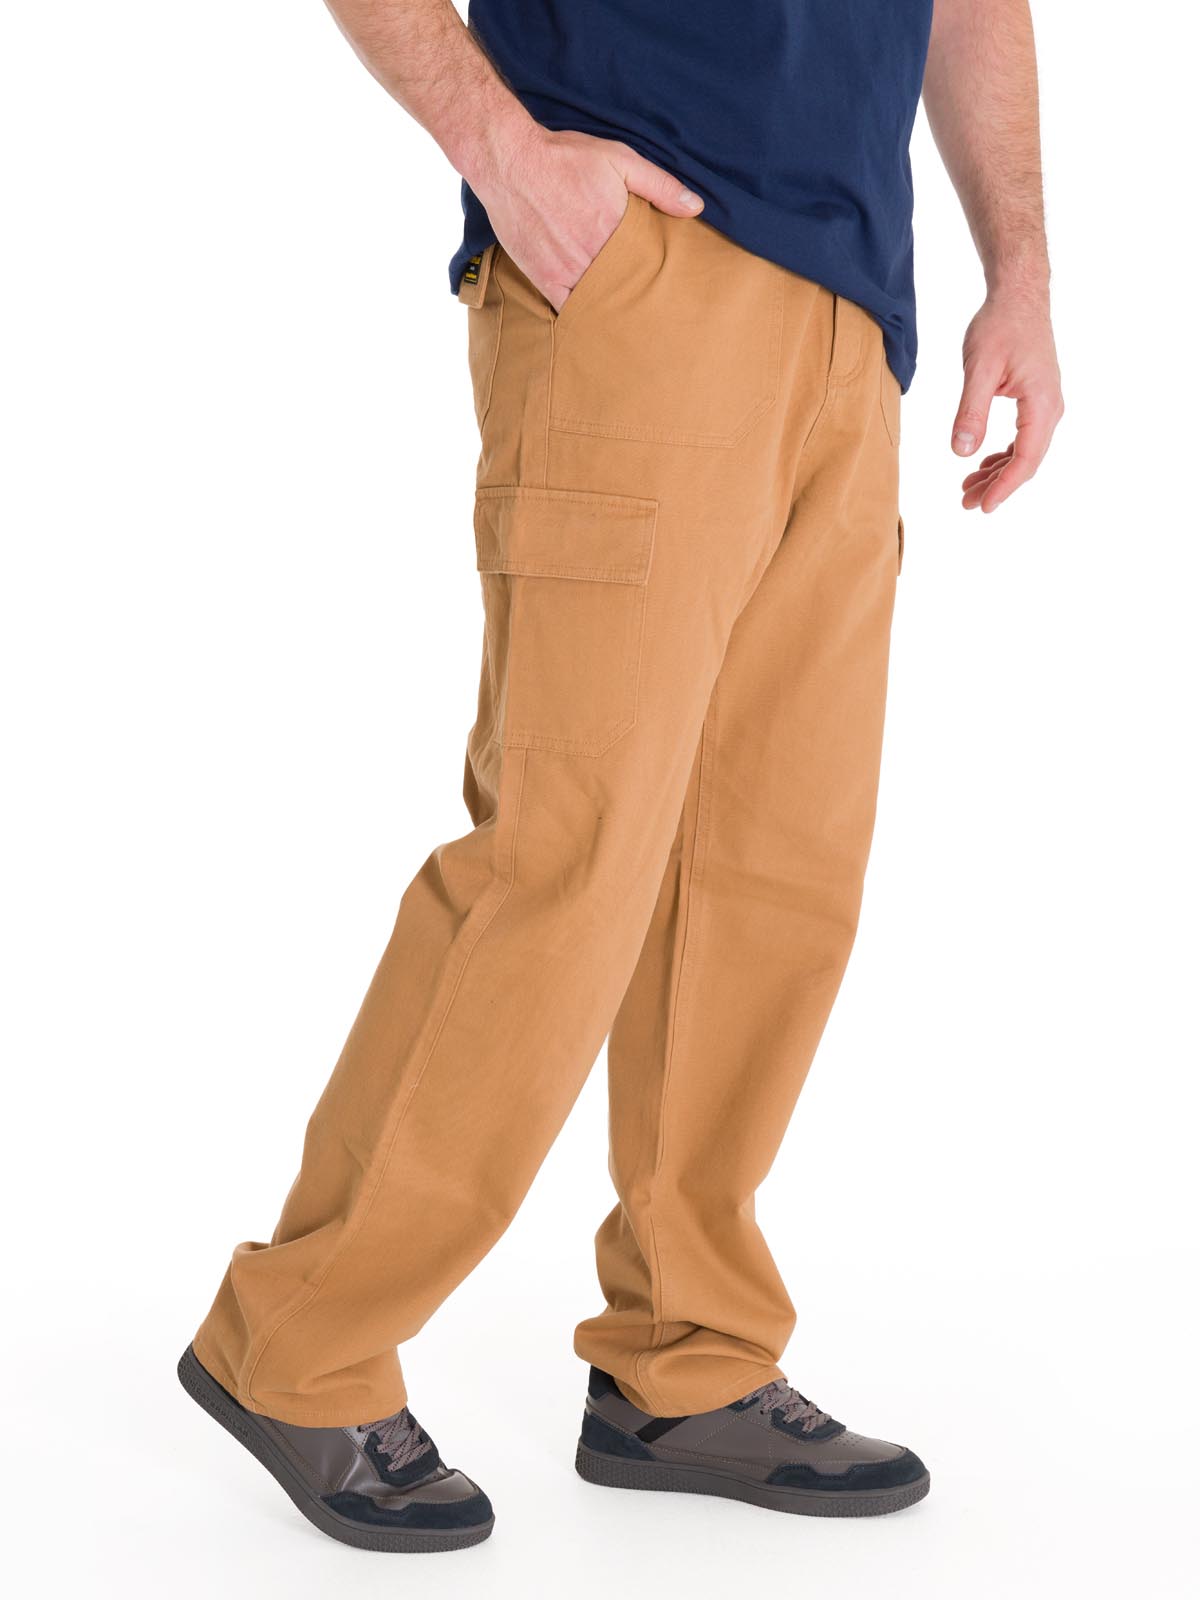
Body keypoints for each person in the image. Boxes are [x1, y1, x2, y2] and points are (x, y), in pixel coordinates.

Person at [179, 0, 1063, 1552]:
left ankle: (686, 1358)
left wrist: (1025, 274)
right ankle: (296, 1340)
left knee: (771, 879)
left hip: (854, 315)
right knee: (567, 858)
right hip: (640, 264)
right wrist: (502, 151)